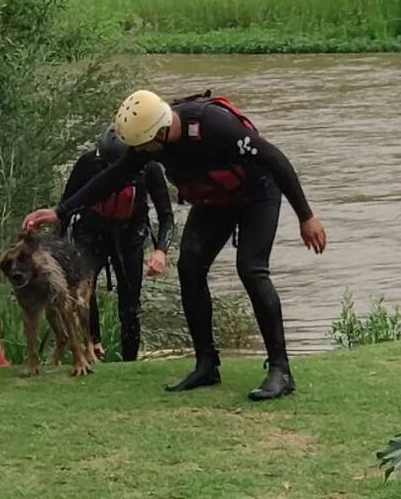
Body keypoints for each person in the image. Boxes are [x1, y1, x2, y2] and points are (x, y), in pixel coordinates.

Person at [23, 89, 327, 400]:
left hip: (259, 191)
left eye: (141, 145)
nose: (139, 152)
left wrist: (306, 217)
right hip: (216, 199)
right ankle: (206, 364)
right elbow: (112, 177)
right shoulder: (152, 142)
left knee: (251, 269)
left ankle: (280, 369)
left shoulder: (214, 127)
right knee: (190, 267)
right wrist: (60, 211)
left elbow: (274, 159)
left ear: (161, 132)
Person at [59, 127, 174, 362]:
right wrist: (59, 250)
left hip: (130, 234)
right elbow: (65, 207)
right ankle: (93, 346)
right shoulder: (88, 163)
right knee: (82, 289)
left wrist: (160, 250)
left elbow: (166, 215)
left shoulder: (148, 167)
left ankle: (130, 361)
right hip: (91, 232)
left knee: (130, 306)